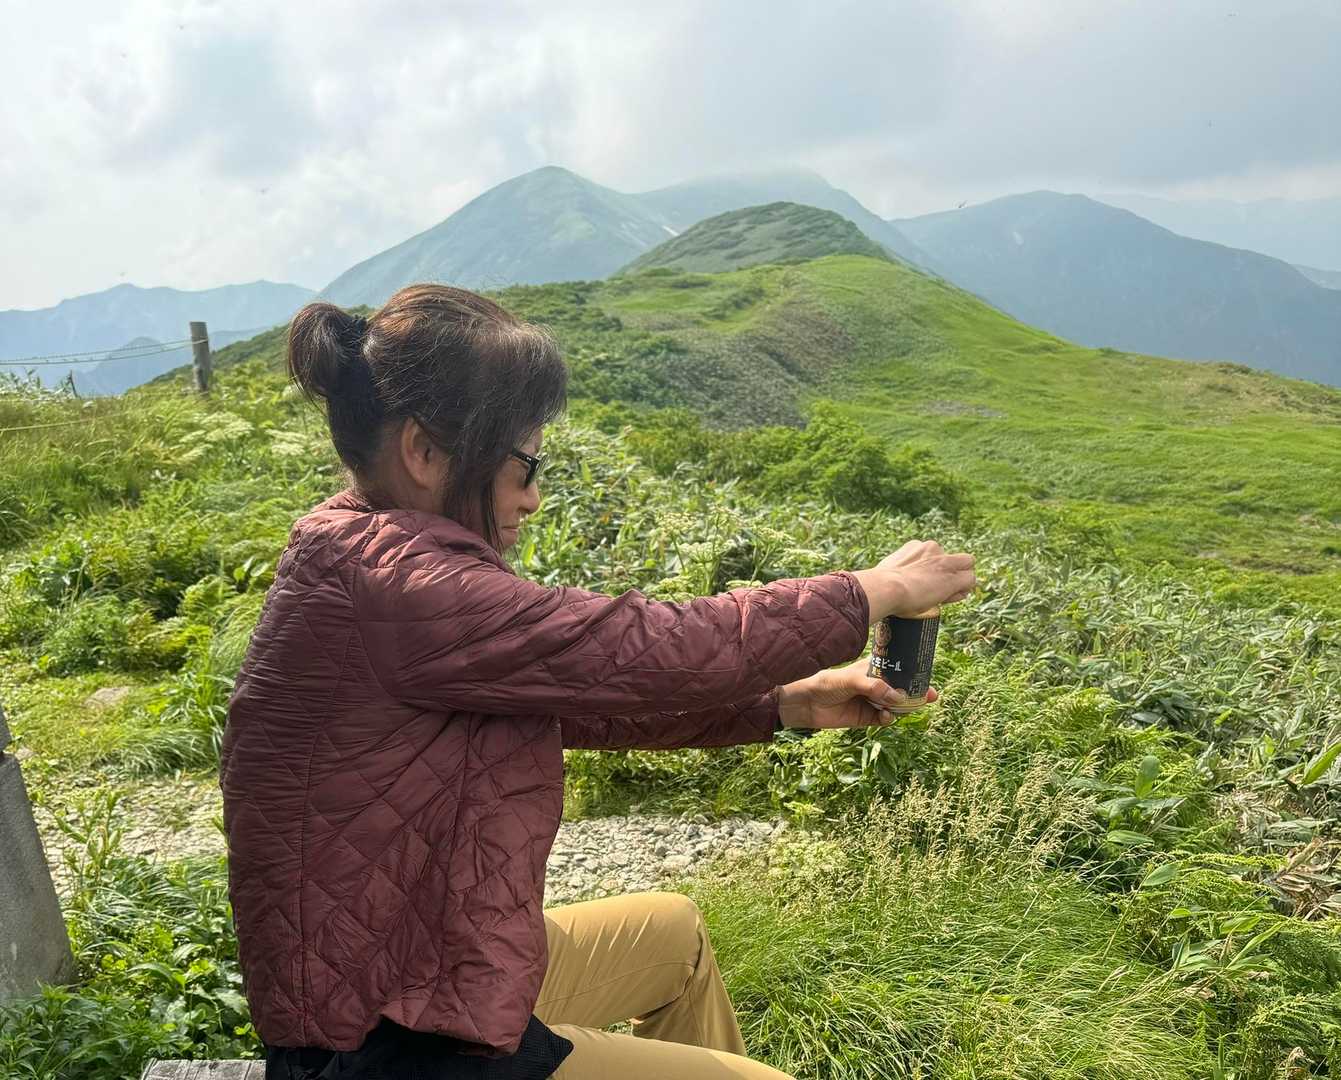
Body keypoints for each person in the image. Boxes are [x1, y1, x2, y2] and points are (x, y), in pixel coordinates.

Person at [219, 284, 978, 1080]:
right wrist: (870, 591)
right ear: (425, 451)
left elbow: (577, 693)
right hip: (392, 1043)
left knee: (673, 936)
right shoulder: (397, 583)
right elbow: (648, 648)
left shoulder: (361, 552)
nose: (532, 497)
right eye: (523, 464)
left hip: (419, 966)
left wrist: (785, 704)